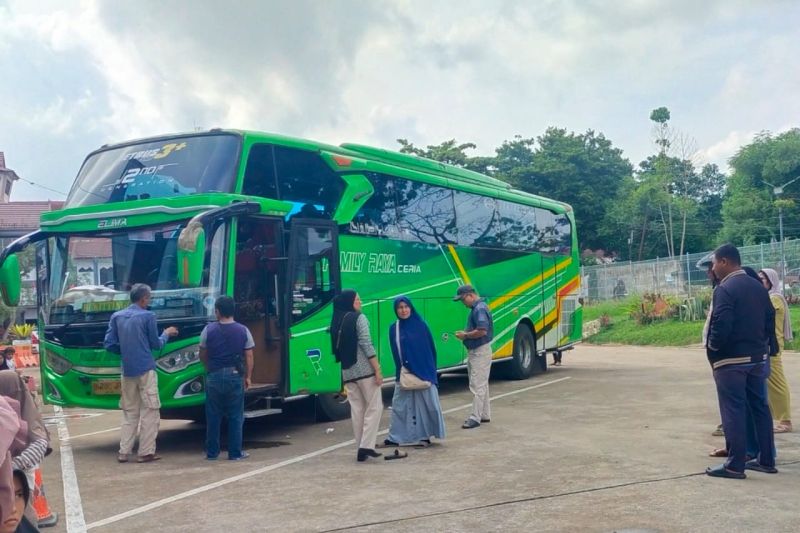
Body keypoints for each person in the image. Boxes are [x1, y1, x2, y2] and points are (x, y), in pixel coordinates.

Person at [705, 244, 776, 479]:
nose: (713, 268)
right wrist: (763, 346)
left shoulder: (725, 288)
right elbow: (769, 317)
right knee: (760, 407)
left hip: (731, 360)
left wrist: (714, 348)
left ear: (724, 262)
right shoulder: (757, 286)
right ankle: (766, 460)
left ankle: (735, 465)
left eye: (714, 263)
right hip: (757, 357)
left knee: (733, 409)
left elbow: (722, 322)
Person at [103, 284, 178, 464]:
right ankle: (145, 452)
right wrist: (166, 333)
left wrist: (126, 351)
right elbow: (156, 345)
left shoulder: (117, 316)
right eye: (149, 298)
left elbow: (109, 344)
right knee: (150, 411)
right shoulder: (148, 316)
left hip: (127, 370)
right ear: (144, 299)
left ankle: (124, 452)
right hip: (145, 368)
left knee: (130, 412)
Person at [198, 296, 254, 461]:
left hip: (214, 376)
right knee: (236, 415)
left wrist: (208, 367)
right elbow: (249, 356)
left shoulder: (208, 330)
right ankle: (235, 453)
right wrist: (248, 377)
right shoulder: (243, 330)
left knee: (213, 415)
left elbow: (202, 353)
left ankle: (212, 453)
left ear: (217, 311)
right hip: (235, 376)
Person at [385, 296, 446, 448]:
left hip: (423, 372)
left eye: (406, 307)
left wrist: (430, 373)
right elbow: (395, 352)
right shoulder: (394, 328)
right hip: (404, 372)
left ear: (411, 308)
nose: (403, 310)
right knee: (399, 405)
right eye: (400, 308)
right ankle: (395, 438)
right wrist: (400, 371)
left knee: (424, 405)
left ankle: (424, 437)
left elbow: (429, 350)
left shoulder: (421, 326)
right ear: (396, 310)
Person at [330, 290, 383, 462]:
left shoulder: (337, 320)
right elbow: (366, 343)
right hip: (365, 370)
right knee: (374, 407)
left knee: (357, 409)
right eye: (357, 299)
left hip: (348, 372)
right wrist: (377, 369)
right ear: (349, 302)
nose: (360, 302)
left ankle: (361, 446)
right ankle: (366, 446)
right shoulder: (359, 318)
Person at [0, 372, 50, 528]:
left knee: (24, 518)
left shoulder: (24, 410)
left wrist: (13, 467)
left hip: (19, 477)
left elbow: (40, 443)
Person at [454, 284, 494, 429]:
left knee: (477, 384)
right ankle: (484, 414)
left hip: (479, 350)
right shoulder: (479, 307)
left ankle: (475, 417)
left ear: (470, 295)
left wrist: (465, 335)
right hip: (479, 350)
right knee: (482, 383)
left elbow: (482, 330)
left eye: (463, 300)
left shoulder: (479, 309)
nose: (463, 303)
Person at [758, 268, 793, 433]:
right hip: (767, 346)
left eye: (763, 279)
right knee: (769, 383)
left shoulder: (774, 298)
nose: (760, 282)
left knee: (777, 383)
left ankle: (785, 421)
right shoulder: (768, 297)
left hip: (772, 347)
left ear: (771, 281)